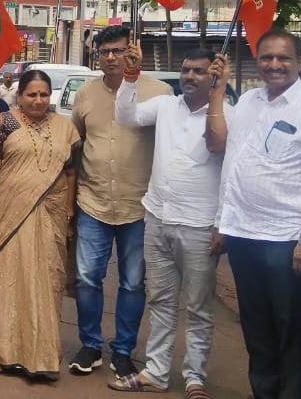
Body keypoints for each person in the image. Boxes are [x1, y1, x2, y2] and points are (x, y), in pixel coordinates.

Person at [212, 29, 301, 399]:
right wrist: (222, 223)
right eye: (266, 57)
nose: (274, 64)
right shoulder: (248, 101)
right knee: (256, 328)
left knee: (289, 330)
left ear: (299, 62)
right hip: (243, 234)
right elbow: (231, 162)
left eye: (283, 58)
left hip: (285, 240)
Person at [107, 46, 231, 397]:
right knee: (160, 301)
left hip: (199, 225)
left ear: (214, 76)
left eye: (199, 71)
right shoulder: (165, 106)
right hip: (158, 217)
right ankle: (157, 372)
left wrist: (222, 224)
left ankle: (194, 378)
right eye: (186, 69)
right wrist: (131, 77)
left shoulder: (227, 115)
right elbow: (125, 116)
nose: (190, 76)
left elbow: (224, 160)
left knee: (198, 307)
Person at [69, 25, 172, 379]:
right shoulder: (84, 93)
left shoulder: (160, 93)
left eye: (118, 51)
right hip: (92, 201)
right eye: (104, 52)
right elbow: (77, 142)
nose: (111, 57)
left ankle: (124, 350)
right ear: (96, 56)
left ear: (132, 51)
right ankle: (90, 345)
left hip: (139, 205)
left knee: (133, 282)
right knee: (87, 278)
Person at [0, 69, 80, 381]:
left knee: (47, 283)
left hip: (51, 214)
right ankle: (4, 353)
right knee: (10, 280)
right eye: (31, 94)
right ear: (19, 96)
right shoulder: (6, 122)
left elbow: (71, 172)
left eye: (43, 94)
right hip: (10, 213)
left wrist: (69, 210)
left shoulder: (65, 127)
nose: (38, 100)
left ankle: (43, 357)